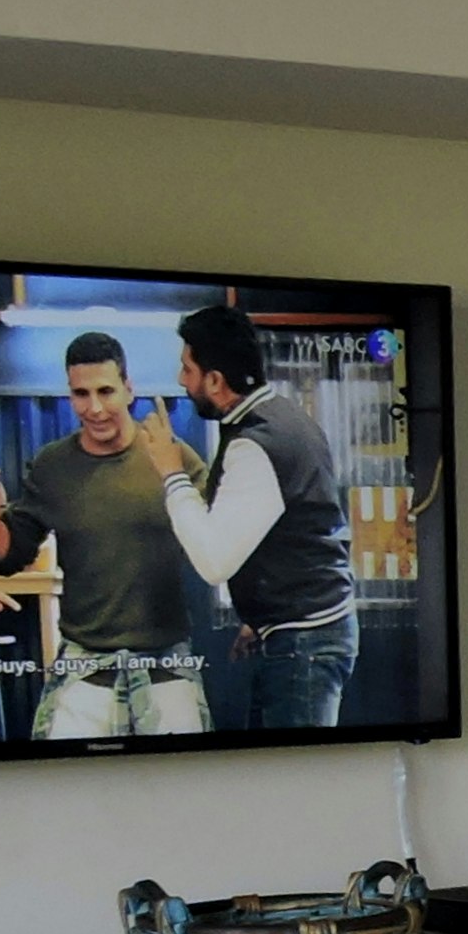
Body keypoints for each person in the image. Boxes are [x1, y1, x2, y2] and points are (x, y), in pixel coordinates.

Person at [0, 332, 210, 741]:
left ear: (129, 389)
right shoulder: (53, 465)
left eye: (105, 391)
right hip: (85, 661)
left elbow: (221, 541)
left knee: (181, 777)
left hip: (166, 658)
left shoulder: (171, 457)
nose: (94, 408)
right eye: (81, 394)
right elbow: (8, 555)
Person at [139, 304, 357, 731]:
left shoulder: (255, 445)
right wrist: (260, 618)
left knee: (296, 772)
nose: (182, 380)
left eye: (187, 369)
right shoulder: (284, 415)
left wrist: (171, 471)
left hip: (303, 644)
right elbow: (290, 532)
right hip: (301, 634)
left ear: (215, 381)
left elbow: (213, 561)